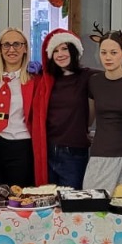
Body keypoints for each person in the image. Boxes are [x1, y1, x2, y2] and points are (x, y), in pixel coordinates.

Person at [0, 27, 46, 186]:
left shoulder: (35, 79)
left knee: (18, 197)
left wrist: (42, 68)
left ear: (25, 48)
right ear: (0, 49)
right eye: (6, 45)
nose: (11, 49)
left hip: (19, 147)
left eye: (17, 44)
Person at [83, 26, 122, 191]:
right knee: (94, 201)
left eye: (113, 52)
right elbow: (89, 119)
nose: (108, 57)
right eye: (103, 52)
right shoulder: (94, 81)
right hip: (100, 152)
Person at [38, 28, 93, 188]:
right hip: (47, 149)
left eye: (64, 48)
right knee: (48, 199)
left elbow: (114, 75)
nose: (60, 54)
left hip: (74, 151)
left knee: (71, 199)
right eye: (55, 51)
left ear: (74, 50)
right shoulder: (46, 80)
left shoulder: (87, 76)